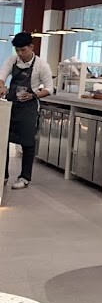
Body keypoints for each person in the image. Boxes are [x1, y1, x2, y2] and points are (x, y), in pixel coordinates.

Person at [0, 31, 54, 189]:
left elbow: (49, 89)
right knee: (3, 140)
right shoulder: (12, 60)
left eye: (23, 50)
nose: (20, 53)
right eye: (17, 50)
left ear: (31, 47)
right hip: (11, 105)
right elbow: (2, 77)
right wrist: (2, 87)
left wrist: (33, 95)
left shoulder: (41, 65)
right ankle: (3, 175)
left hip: (29, 108)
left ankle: (24, 177)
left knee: (27, 142)